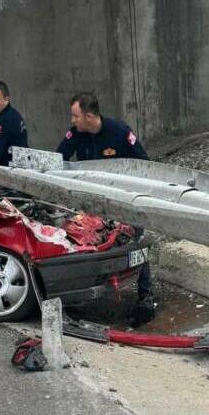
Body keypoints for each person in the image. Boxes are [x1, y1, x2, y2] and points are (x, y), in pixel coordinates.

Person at [56, 92, 154, 319]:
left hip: (123, 202)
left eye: (75, 116)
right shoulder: (75, 135)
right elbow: (58, 158)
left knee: (135, 246)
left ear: (89, 116)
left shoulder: (119, 132)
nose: (72, 120)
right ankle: (92, 293)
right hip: (92, 204)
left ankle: (145, 296)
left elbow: (145, 165)